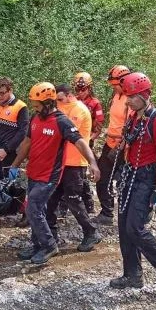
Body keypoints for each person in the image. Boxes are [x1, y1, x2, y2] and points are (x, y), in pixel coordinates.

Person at [8, 82, 101, 265]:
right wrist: (14, 164)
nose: (34, 108)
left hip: (50, 175)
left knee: (32, 208)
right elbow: (27, 143)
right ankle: (37, 244)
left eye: (37, 105)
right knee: (40, 210)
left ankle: (49, 245)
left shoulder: (61, 121)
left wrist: (92, 163)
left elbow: (80, 142)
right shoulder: (35, 119)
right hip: (34, 172)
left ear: (48, 103)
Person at [109, 72, 156, 290]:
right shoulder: (134, 118)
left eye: (131, 97)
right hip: (130, 175)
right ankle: (132, 275)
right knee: (123, 227)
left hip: (147, 177)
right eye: (127, 96)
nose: (127, 100)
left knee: (135, 228)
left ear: (145, 95)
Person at [45, 84, 103, 252]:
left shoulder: (80, 110)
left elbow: (69, 134)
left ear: (70, 96)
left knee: (73, 200)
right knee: (51, 199)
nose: (58, 102)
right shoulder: (59, 107)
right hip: (58, 162)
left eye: (61, 99)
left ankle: (90, 232)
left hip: (74, 162)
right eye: (56, 100)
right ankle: (51, 238)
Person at [93, 65, 133, 226]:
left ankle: (131, 214)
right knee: (102, 178)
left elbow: (131, 126)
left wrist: (121, 144)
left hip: (122, 146)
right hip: (110, 142)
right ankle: (107, 212)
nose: (113, 87)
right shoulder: (116, 96)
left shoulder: (130, 99)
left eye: (115, 84)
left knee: (123, 181)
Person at [73, 71, 104, 216]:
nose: (80, 92)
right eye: (77, 89)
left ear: (89, 88)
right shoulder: (72, 101)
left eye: (83, 89)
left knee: (81, 172)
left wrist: (90, 139)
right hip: (71, 140)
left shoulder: (95, 103)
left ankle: (88, 202)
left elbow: (99, 125)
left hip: (85, 141)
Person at [0, 77, 29, 182]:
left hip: (10, 152)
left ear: (10, 90)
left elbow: (22, 132)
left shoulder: (21, 107)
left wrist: (6, 149)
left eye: (2, 93)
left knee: (6, 185)